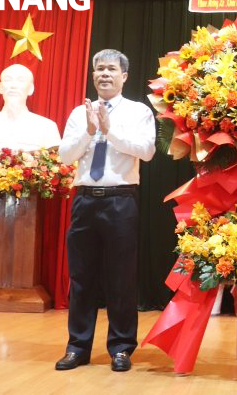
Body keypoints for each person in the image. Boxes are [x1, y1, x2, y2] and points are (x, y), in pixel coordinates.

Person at [55, 49, 156, 372]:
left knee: (121, 278)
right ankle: (77, 347)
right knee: (81, 277)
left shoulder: (138, 111)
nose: (104, 74)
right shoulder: (78, 113)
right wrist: (88, 130)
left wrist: (109, 129)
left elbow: (147, 151)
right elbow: (64, 157)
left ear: (124, 76)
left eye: (111, 69)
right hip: (84, 200)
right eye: (99, 69)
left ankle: (122, 348)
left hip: (120, 200)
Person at [0, 64, 61, 151]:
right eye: (8, 80)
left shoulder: (47, 127)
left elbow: (55, 163)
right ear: (1, 87)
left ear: (31, 89)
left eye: (21, 80)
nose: (13, 86)